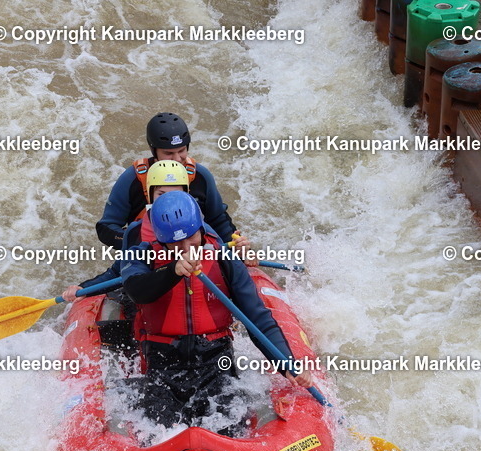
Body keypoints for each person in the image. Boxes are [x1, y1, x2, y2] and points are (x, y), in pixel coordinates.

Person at [121, 191, 311, 431]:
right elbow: (137, 290)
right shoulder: (142, 255)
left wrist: (286, 364)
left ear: (201, 229)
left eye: (191, 239)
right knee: (155, 433)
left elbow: (257, 317)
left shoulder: (224, 258)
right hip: (162, 364)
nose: (186, 248)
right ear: (161, 239)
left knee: (231, 427)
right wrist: (173, 271)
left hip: (216, 362)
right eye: (176, 243)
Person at [95, 112, 240, 250]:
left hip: (193, 253)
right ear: (154, 151)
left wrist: (236, 246)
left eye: (182, 150)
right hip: (148, 255)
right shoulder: (133, 178)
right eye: (168, 153)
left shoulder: (200, 176)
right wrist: (137, 241)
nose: (177, 159)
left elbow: (218, 220)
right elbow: (106, 228)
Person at [60, 159, 192, 303]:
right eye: (161, 194)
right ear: (150, 194)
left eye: (175, 193)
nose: (168, 200)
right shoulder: (135, 232)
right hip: (150, 302)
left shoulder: (202, 230)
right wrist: (84, 288)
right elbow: (117, 273)